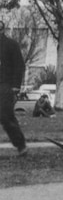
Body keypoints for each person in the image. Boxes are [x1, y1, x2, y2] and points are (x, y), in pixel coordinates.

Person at [0, 18, 28, 156]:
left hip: (5, 85)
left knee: (5, 116)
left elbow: (19, 65)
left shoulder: (11, 45)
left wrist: (16, 86)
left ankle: (20, 144)